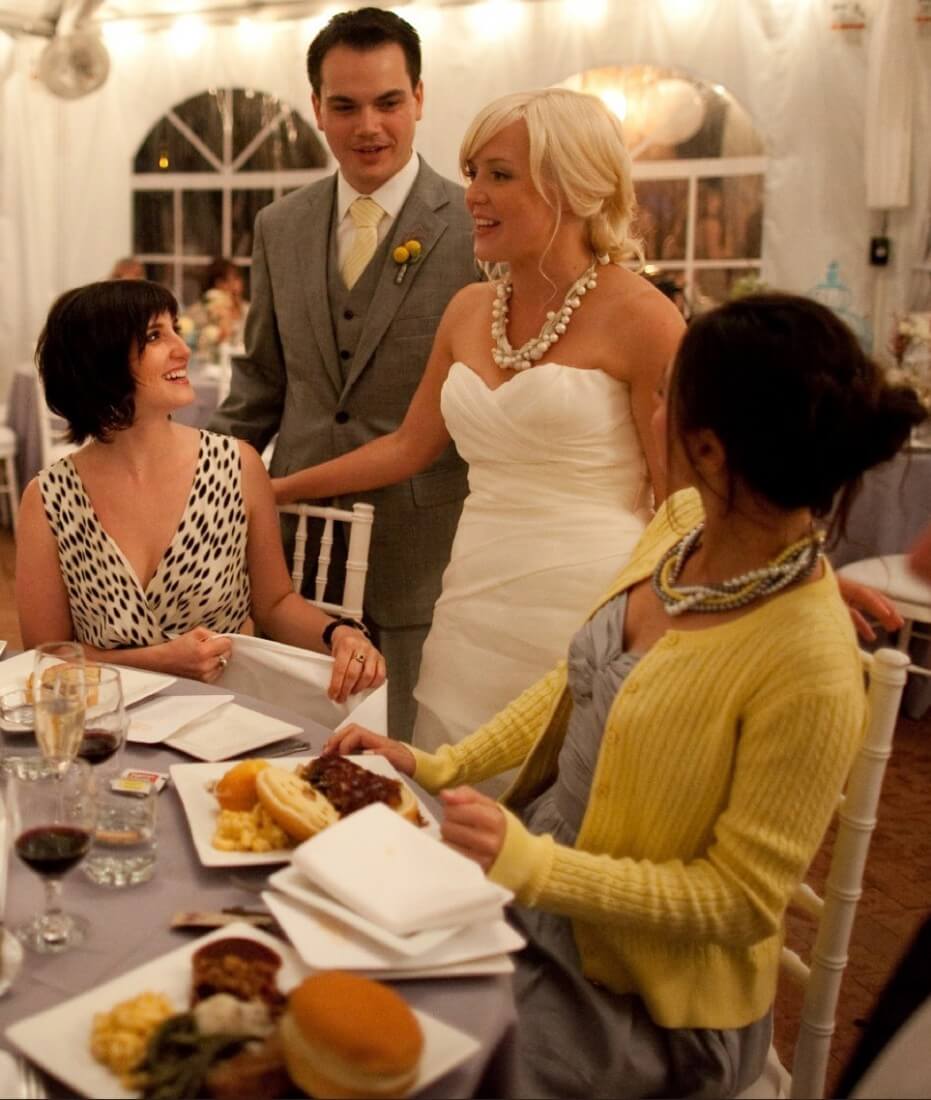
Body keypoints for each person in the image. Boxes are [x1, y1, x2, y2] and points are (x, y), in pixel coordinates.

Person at [325, 293, 927, 1097]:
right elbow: (578, 681)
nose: (647, 412)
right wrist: (430, 764)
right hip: (531, 906)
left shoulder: (810, 661)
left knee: (421, 1070)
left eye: (662, 396)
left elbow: (739, 903)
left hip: (645, 998)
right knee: (334, 977)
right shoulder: (680, 527)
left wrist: (533, 866)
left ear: (708, 448)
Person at [274, 88, 686, 780]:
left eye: (498, 174)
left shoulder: (644, 318)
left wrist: (790, 578)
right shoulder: (469, 309)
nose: (472, 195)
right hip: (470, 597)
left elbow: (683, 502)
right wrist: (278, 485)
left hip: (587, 605)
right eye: (470, 173)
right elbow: (408, 446)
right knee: (452, 794)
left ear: (574, 187)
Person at [208, 7, 476, 741]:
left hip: (423, 551)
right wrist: (195, 478)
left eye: (389, 102)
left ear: (419, 98)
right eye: (345, 105)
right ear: (316, 109)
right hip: (292, 555)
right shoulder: (279, 226)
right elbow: (258, 385)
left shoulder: (474, 225)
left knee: (405, 757)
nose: (369, 126)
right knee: (290, 741)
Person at [15, 279, 385, 702]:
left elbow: (276, 603)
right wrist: (159, 661)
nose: (183, 348)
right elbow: (48, 656)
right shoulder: (49, 499)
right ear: (101, 359)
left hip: (228, 721)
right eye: (156, 335)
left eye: (176, 328)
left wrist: (339, 634)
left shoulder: (237, 466)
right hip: (105, 727)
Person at [184, 258, 250, 348]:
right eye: (226, 281)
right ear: (215, 284)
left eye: (236, 278)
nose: (234, 286)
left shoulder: (249, 311)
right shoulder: (196, 313)